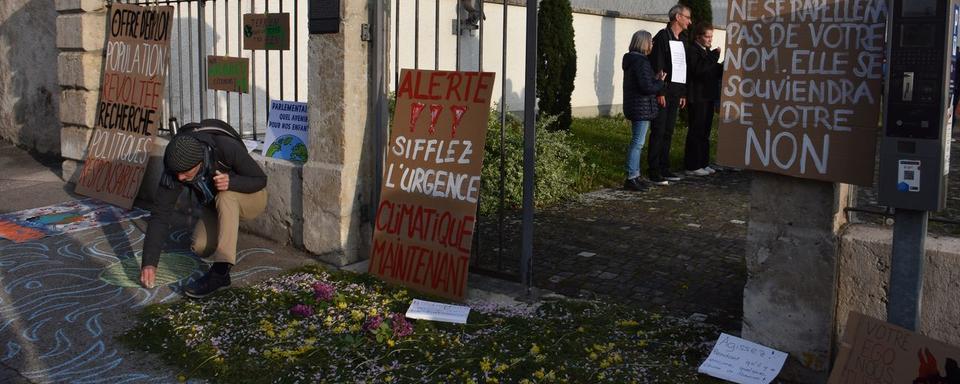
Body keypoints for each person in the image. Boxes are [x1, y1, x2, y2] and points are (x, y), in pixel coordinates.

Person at [139, 119, 268, 298]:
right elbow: (160, 214)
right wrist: (149, 263)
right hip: (215, 204)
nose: (180, 178)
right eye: (177, 173)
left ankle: (221, 273)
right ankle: (226, 228)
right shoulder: (176, 167)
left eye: (186, 173)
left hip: (251, 198)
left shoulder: (225, 148)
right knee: (200, 247)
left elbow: (260, 179)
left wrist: (233, 182)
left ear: (200, 162)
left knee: (226, 195)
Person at [647, 4, 692, 185]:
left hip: (676, 92)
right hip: (664, 92)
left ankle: (665, 167)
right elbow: (657, 66)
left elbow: (682, 68)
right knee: (658, 130)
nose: (690, 21)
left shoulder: (682, 40)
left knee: (669, 131)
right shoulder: (662, 37)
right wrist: (660, 91)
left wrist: (682, 93)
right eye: (688, 17)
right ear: (678, 17)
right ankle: (654, 170)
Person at [622, 30, 666, 191]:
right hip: (640, 107)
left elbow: (643, 83)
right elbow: (646, 87)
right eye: (651, 42)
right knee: (637, 143)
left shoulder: (633, 60)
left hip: (636, 105)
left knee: (637, 142)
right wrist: (660, 82)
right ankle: (631, 177)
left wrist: (654, 79)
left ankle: (635, 174)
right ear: (644, 43)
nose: (653, 44)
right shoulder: (641, 62)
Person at [684, 22, 723, 177]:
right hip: (698, 97)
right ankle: (692, 165)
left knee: (705, 131)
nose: (709, 39)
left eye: (711, 36)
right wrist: (714, 56)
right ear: (698, 37)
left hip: (708, 96)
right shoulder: (693, 50)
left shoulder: (706, 52)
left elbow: (712, 71)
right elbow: (699, 70)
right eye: (707, 36)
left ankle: (703, 162)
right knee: (696, 130)